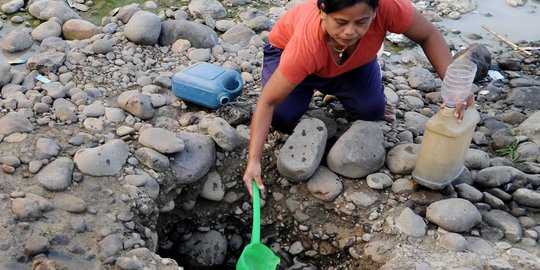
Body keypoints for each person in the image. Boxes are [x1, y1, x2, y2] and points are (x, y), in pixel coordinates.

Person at [243, 0, 473, 196]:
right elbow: (268, 102)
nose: (350, 32)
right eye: (341, 22)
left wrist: (455, 88)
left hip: (353, 63)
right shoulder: (306, 45)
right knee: (282, 117)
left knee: (372, 110)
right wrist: (254, 160)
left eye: (362, 22)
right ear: (322, 12)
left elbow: (428, 34)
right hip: (287, 54)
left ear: (375, 12)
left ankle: (348, 85)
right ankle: (312, 85)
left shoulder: (388, 7)